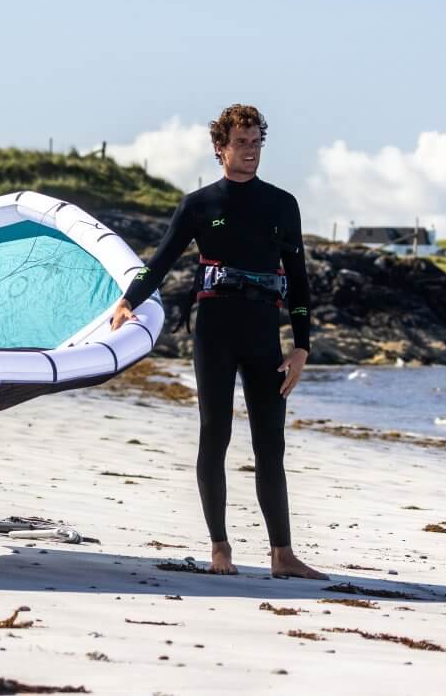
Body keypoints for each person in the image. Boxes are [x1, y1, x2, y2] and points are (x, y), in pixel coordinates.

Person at [111, 104, 327, 579]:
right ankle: (220, 548)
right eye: (241, 143)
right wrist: (128, 300)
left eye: (256, 143)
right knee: (216, 434)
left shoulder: (282, 204)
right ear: (220, 147)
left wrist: (301, 347)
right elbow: (160, 261)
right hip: (214, 330)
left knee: (270, 442)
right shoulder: (199, 205)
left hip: (263, 332)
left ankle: (282, 554)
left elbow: (299, 280)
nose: (251, 151)